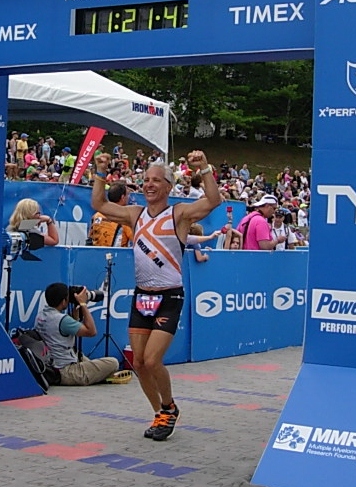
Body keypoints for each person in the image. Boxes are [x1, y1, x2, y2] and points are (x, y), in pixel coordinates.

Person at [91, 150, 221, 441]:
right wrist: (100, 172)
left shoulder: (180, 214)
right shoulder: (133, 214)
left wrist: (205, 169)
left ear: (168, 187)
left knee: (151, 361)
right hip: (141, 296)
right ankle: (163, 412)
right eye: (145, 180)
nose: (149, 184)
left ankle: (169, 404)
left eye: (156, 180)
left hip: (169, 296)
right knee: (137, 363)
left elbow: (213, 202)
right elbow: (99, 203)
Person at [34, 282, 119, 385]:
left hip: (52, 365)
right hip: (66, 370)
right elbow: (92, 331)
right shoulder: (62, 320)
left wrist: (75, 318)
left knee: (83, 358)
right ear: (64, 301)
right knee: (113, 363)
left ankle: (97, 374)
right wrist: (83, 304)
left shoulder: (41, 315)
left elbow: (60, 333)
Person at [88, 181, 133, 247]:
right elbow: (136, 240)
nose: (128, 197)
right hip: (117, 255)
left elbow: (89, 238)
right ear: (123, 197)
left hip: (96, 254)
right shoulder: (124, 219)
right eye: (127, 194)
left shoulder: (96, 216)